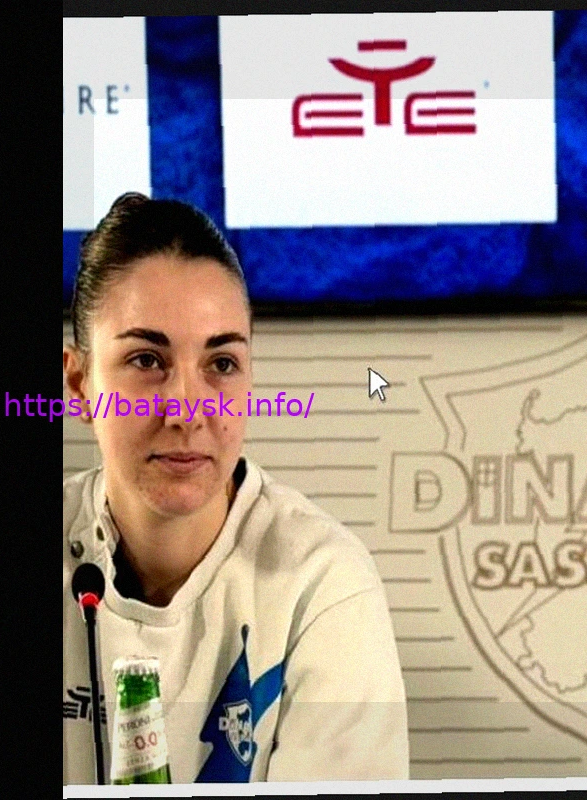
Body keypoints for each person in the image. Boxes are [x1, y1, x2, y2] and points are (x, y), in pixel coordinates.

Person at [62, 193, 409, 783]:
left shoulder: (322, 583)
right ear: (79, 384)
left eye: (221, 364)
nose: (187, 411)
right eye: (147, 360)